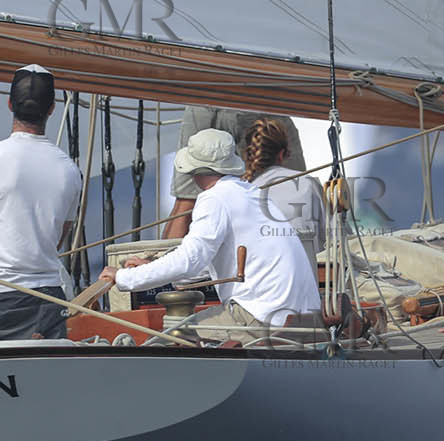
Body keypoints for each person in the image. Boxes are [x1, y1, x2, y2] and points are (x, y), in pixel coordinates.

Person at [103, 129, 321, 340]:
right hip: (303, 319)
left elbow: (189, 260)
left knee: (175, 335)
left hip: (263, 318)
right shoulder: (250, 193)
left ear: (195, 171)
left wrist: (123, 277)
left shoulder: (215, 198)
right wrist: (151, 265)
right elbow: (202, 262)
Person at [0, 65, 83, 341]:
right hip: (49, 298)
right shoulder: (70, 171)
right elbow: (55, 239)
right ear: (51, 109)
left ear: (10, 104)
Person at [164, 106, 307, 240]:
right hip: (267, 101)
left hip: (212, 101)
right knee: (297, 192)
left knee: (186, 203)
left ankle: (164, 258)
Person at [242, 118, 326, 260]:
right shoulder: (308, 183)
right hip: (310, 271)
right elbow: (335, 236)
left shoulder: (244, 193)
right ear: (281, 154)